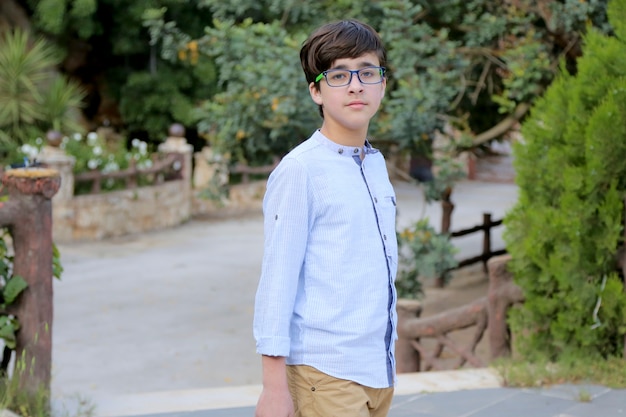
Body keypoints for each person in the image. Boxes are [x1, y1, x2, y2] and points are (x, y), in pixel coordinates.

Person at [253, 19, 398, 417]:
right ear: (315, 90)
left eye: (367, 72)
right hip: (325, 371)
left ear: (382, 84)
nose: (356, 85)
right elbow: (276, 280)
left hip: (377, 367)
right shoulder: (301, 170)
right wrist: (273, 388)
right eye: (338, 74)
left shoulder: (374, 163)